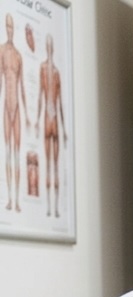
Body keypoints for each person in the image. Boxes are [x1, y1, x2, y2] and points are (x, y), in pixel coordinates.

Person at [1, 13, 32, 212]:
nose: (10, 30)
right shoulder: (2, 52)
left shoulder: (19, 56)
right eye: (8, 26)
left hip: (18, 109)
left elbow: (21, 86)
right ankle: (9, 198)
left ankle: (17, 200)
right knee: (8, 152)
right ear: (5, 27)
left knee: (17, 153)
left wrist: (28, 115)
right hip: (6, 106)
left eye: (12, 27)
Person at [35, 33, 65, 218]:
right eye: (48, 44)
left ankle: (56, 209)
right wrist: (38, 120)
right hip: (47, 117)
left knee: (55, 164)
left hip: (52, 119)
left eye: (50, 44)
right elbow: (40, 95)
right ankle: (49, 207)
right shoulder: (44, 69)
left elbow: (60, 101)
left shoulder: (55, 72)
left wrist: (65, 129)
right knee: (48, 164)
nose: (49, 47)